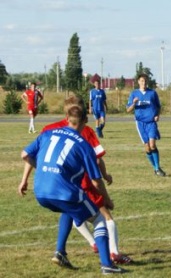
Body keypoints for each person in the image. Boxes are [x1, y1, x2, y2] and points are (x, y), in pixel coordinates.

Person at [18, 105, 123, 274]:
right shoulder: (83, 145)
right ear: (85, 121)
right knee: (99, 220)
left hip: (40, 192)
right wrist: (107, 199)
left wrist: (39, 172)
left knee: (67, 208)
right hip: (63, 192)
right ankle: (107, 265)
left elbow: (25, 154)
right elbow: (96, 182)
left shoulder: (47, 133)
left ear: (67, 119)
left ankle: (60, 252)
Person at [41, 95, 132, 265]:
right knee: (105, 218)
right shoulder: (86, 130)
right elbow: (97, 159)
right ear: (83, 114)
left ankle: (85, 245)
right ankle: (113, 254)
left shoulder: (49, 128)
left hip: (57, 183)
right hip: (84, 182)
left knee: (71, 213)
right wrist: (105, 177)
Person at [127, 73, 166, 177]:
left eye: (145, 81)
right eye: (141, 81)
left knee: (152, 145)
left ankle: (158, 168)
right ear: (138, 82)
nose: (143, 83)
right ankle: (155, 168)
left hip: (151, 123)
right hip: (140, 124)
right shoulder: (134, 94)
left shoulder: (152, 93)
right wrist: (134, 103)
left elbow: (158, 107)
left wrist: (157, 115)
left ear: (147, 82)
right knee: (147, 148)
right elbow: (128, 110)